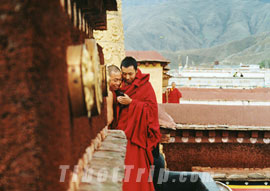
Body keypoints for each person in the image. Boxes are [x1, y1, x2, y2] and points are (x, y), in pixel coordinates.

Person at [116, 57, 161, 191]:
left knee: (136, 175)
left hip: (138, 138)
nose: (127, 77)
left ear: (136, 71)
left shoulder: (145, 86)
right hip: (122, 133)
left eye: (130, 74)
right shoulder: (119, 84)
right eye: (124, 74)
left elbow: (152, 110)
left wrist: (132, 103)